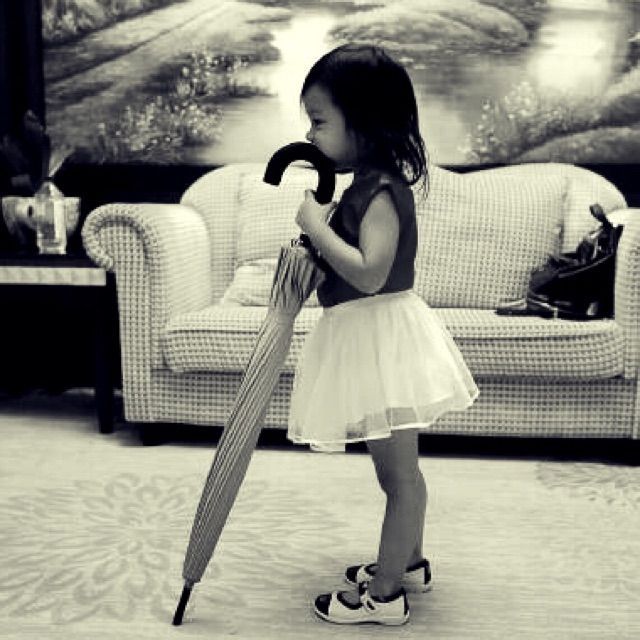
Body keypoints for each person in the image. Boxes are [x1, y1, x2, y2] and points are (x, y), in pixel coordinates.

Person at [287, 44, 479, 626]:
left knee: (399, 478)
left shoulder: (380, 192)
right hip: (368, 336)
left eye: (319, 121)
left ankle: (386, 594)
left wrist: (315, 226)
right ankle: (408, 561)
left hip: (382, 339)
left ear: (363, 122)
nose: (310, 134)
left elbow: (371, 273)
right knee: (396, 472)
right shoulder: (363, 186)